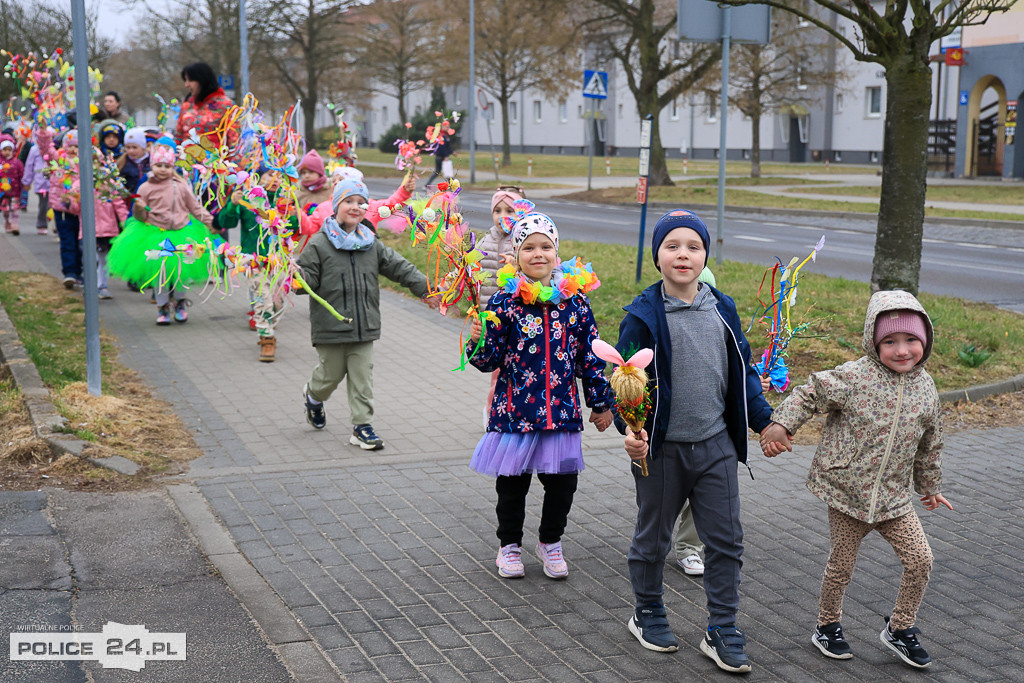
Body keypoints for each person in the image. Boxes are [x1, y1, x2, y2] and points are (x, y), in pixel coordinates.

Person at [617, 209, 777, 673]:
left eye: (693, 246)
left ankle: (721, 627)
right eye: (672, 246)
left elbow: (742, 370)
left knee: (726, 540)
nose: (682, 254)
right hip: (661, 449)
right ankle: (647, 611)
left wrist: (763, 422)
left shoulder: (721, 308)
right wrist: (634, 432)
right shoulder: (642, 316)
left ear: (705, 254)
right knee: (654, 538)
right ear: (657, 256)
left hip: (716, 446)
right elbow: (628, 381)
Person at [760, 290, 949, 670]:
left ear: (925, 341)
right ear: (873, 342)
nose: (901, 350)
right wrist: (781, 424)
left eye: (911, 340)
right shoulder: (855, 376)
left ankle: (900, 628)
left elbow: (931, 442)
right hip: (848, 493)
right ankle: (827, 625)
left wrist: (929, 487)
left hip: (894, 500)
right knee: (842, 565)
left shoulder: (926, 387)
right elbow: (810, 392)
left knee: (921, 560)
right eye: (890, 341)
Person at [467, 211, 613, 580]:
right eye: (528, 247)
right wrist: (476, 339)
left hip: (560, 413)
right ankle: (509, 545)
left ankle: (550, 541)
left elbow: (590, 357)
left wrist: (600, 403)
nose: (538, 254)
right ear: (515, 255)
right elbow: (488, 361)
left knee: (563, 484)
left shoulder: (575, 303)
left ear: (557, 253)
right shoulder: (504, 302)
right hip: (515, 412)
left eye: (545, 246)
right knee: (512, 485)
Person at [296, 177, 436, 449]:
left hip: (364, 325)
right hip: (331, 326)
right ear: (336, 204)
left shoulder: (370, 242)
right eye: (349, 201)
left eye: (361, 202)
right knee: (330, 376)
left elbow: (400, 267)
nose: (356, 207)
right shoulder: (319, 243)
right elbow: (307, 281)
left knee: (362, 377)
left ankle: (362, 426)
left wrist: (426, 289)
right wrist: (295, 277)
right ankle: (313, 397)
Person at [108, 138, 214, 324]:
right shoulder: (146, 188)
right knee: (161, 274)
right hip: (156, 235)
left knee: (182, 273)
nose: (163, 169)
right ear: (152, 166)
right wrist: (140, 208)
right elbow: (139, 216)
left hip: (182, 233)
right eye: (158, 165)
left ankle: (180, 302)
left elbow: (195, 208)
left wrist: (211, 222)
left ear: (172, 166)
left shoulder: (181, 186)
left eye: (167, 165)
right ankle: (162, 307)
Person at [36, 128, 83, 286]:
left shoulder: (85, 161)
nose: (73, 149)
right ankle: (70, 272)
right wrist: (43, 131)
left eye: (77, 146)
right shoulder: (59, 160)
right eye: (70, 145)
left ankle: (80, 272)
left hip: (82, 211)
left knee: (81, 243)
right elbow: (45, 148)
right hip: (62, 210)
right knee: (67, 242)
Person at [175, 63, 235, 147]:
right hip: (187, 158)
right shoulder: (187, 105)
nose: (186, 85)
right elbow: (178, 137)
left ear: (202, 80)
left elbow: (234, 140)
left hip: (215, 158)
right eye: (185, 80)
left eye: (190, 80)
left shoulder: (225, 105)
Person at [21, 129, 51, 235]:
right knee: (43, 205)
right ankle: (41, 224)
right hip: (41, 182)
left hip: (54, 183)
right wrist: (27, 181)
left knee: (54, 205)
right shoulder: (34, 150)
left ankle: (55, 224)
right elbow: (29, 166)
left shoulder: (52, 149)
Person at [0, 134, 25, 235]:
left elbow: (21, 173)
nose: (7, 152)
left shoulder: (17, 162)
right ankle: (7, 222)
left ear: (13, 150)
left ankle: (15, 225)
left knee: (15, 209)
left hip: (15, 191)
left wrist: (24, 183)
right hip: (3, 192)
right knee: (5, 210)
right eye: (5, 150)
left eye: (9, 150)